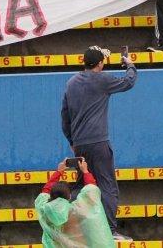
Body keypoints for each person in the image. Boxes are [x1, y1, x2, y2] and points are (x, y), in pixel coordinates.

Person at [61, 46, 137, 242]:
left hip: (79, 144)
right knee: (107, 185)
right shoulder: (102, 80)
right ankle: (110, 230)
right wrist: (130, 65)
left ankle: (71, 228)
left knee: (80, 185)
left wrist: (72, 141)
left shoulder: (71, 83)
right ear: (100, 63)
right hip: (98, 142)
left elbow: (65, 117)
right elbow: (129, 82)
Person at [35, 158, 115, 248]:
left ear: (51, 195)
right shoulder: (77, 211)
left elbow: (45, 191)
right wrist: (85, 171)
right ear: (69, 196)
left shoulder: (43, 210)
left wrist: (59, 171)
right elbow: (91, 191)